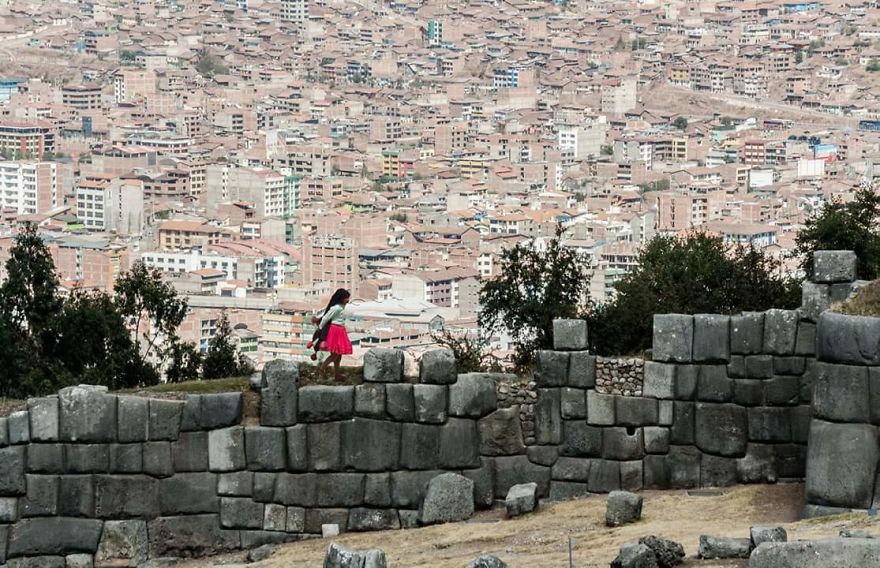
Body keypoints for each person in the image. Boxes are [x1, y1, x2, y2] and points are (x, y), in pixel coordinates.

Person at [307, 288, 353, 380]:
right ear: (341, 298)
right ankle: (322, 369)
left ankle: (337, 374)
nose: (348, 300)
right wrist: (320, 328)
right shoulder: (336, 308)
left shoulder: (340, 307)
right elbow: (326, 318)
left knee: (338, 355)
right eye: (346, 298)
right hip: (335, 331)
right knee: (335, 354)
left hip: (340, 330)